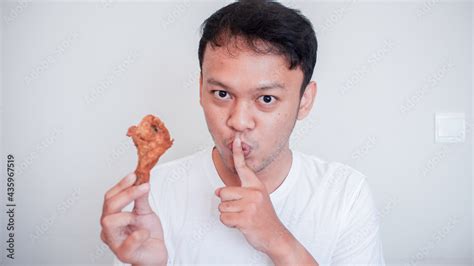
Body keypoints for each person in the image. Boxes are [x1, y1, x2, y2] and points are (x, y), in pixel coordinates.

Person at [100, 1, 386, 265]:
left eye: (266, 99)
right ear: (201, 89)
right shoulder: (154, 194)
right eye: (222, 93)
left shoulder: (345, 194)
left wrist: (278, 242)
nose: (238, 121)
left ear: (305, 100)